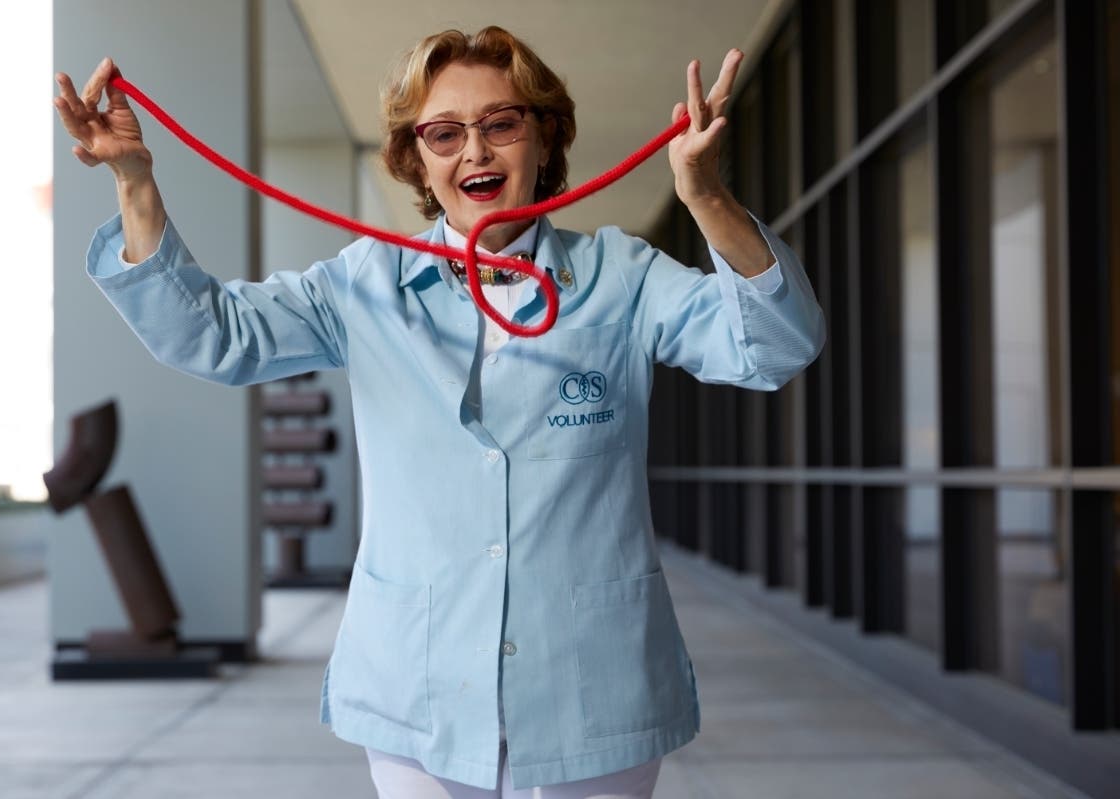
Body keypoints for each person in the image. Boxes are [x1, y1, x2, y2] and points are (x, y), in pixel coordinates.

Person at [54, 25, 825, 799]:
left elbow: (777, 345)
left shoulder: (622, 275)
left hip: (594, 695)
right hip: (414, 694)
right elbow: (212, 336)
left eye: (501, 123)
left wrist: (706, 196)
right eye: (444, 132)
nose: (476, 151)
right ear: (414, 154)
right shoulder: (364, 284)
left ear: (543, 135)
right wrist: (133, 182)